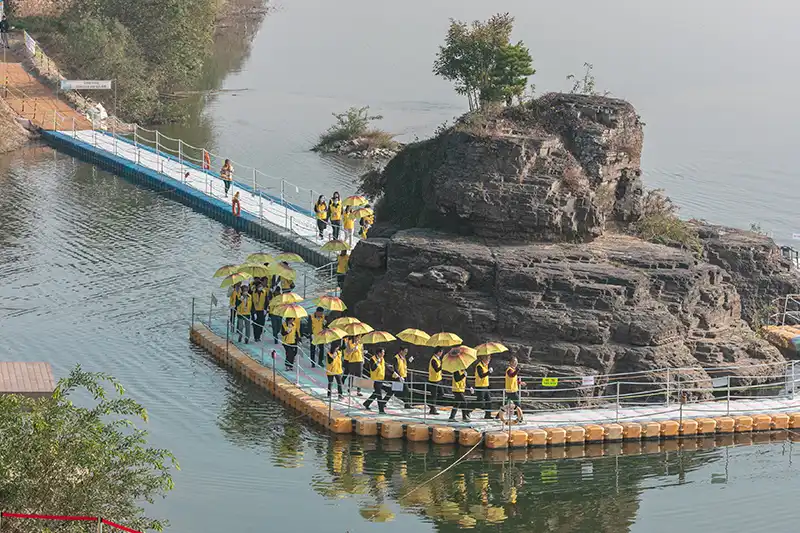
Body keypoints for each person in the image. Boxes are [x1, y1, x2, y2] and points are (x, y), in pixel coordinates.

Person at [363, 349, 398, 414]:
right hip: (375, 380)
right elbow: (372, 368)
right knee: (379, 395)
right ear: (379, 353)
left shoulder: (382, 358)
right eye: (383, 352)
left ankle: (367, 403)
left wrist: (393, 372)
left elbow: (386, 367)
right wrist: (377, 363)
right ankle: (381, 410)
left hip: (381, 379)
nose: (384, 354)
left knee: (377, 393)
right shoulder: (372, 359)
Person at [474, 354, 494, 419]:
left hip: (485, 386)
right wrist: (488, 372)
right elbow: (481, 375)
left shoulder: (486, 365)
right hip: (480, 386)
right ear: (484, 359)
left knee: (489, 401)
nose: (489, 360)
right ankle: (468, 409)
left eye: (489, 359)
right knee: (480, 403)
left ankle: (488, 415)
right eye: (488, 359)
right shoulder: (479, 366)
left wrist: (489, 371)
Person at [427, 349, 444, 415]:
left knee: (441, 393)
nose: (442, 353)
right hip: (433, 380)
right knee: (434, 395)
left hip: (438, 379)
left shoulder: (438, 359)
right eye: (441, 352)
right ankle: (432, 409)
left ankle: (430, 403)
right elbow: (436, 369)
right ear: (438, 352)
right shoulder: (433, 360)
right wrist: (442, 366)